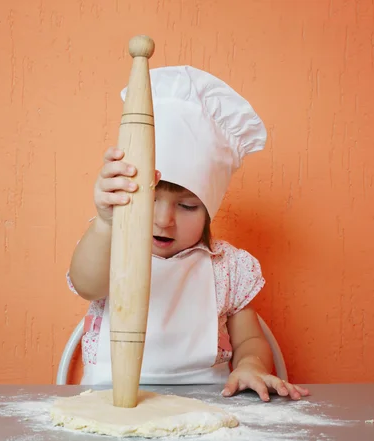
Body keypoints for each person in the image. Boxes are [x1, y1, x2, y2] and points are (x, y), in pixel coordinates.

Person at [66, 65, 309, 402]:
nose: (164, 220)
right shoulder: (112, 247)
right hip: (108, 399)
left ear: (209, 212)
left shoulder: (228, 268)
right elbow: (86, 284)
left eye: (188, 206)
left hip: (207, 402)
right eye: (149, 200)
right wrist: (108, 224)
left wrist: (251, 364)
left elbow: (249, 340)